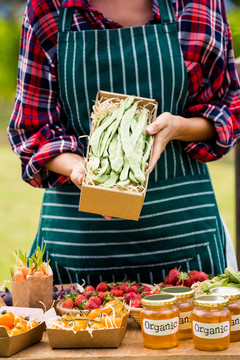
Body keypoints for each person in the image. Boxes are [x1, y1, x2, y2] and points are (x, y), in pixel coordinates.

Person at [8, 0, 240, 286]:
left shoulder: (197, 5)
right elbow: (33, 129)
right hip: (79, 255)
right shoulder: (48, 8)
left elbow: (227, 109)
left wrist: (177, 127)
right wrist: (78, 167)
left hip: (187, 251)